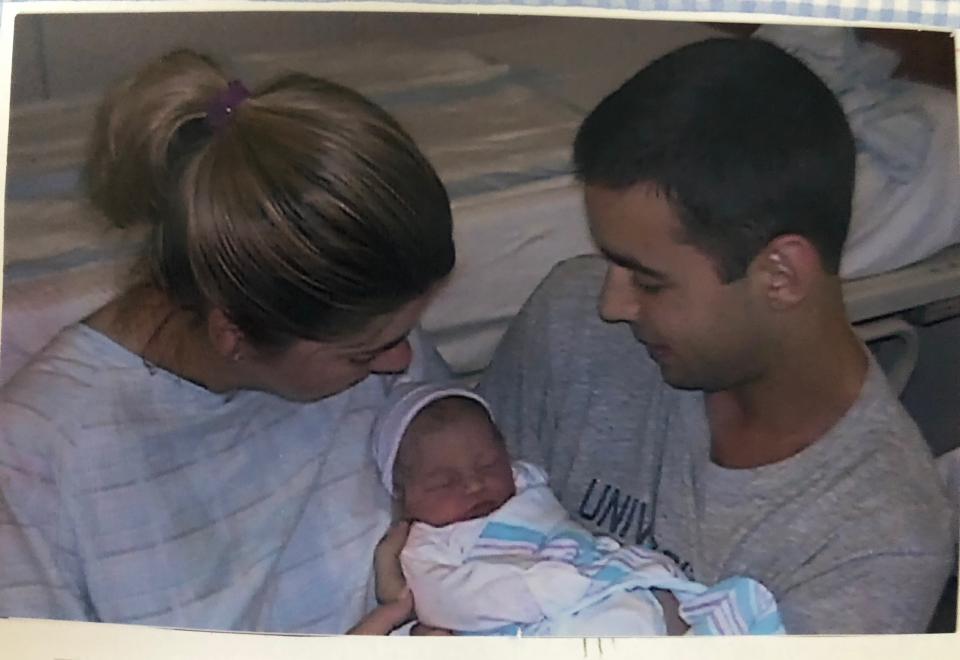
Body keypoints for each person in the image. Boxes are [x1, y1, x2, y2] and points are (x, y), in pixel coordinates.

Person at [476, 37, 957, 634]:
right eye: (611, 262)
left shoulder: (881, 539)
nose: (610, 304)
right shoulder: (569, 322)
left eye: (649, 282)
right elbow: (459, 526)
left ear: (780, 276)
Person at [0, 49, 456, 634]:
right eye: (364, 354)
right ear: (234, 335)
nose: (402, 361)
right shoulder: (39, 461)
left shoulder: (363, 323)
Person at [370, 382, 784, 636]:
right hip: (539, 619)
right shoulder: (429, 544)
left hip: (604, 585)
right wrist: (538, 591)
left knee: (723, 607)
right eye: (445, 482)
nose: (475, 485)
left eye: (488, 465)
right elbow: (443, 600)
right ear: (403, 497)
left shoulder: (524, 484)